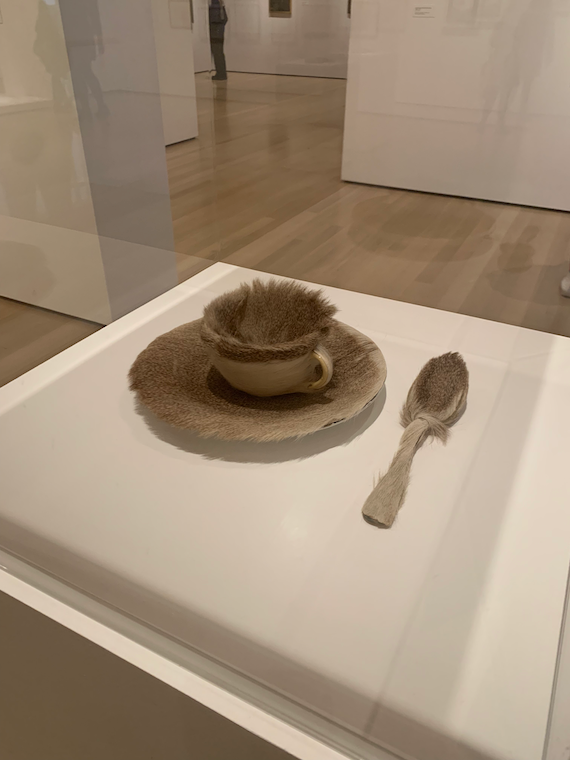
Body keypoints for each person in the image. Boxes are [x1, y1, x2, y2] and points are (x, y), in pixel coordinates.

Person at [209, 0, 228, 81]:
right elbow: (225, 18)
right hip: (218, 28)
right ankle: (221, 72)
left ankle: (221, 73)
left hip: (216, 28)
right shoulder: (220, 4)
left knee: (217, 51)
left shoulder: (215, 3)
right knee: (218, 51)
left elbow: (214, 17)